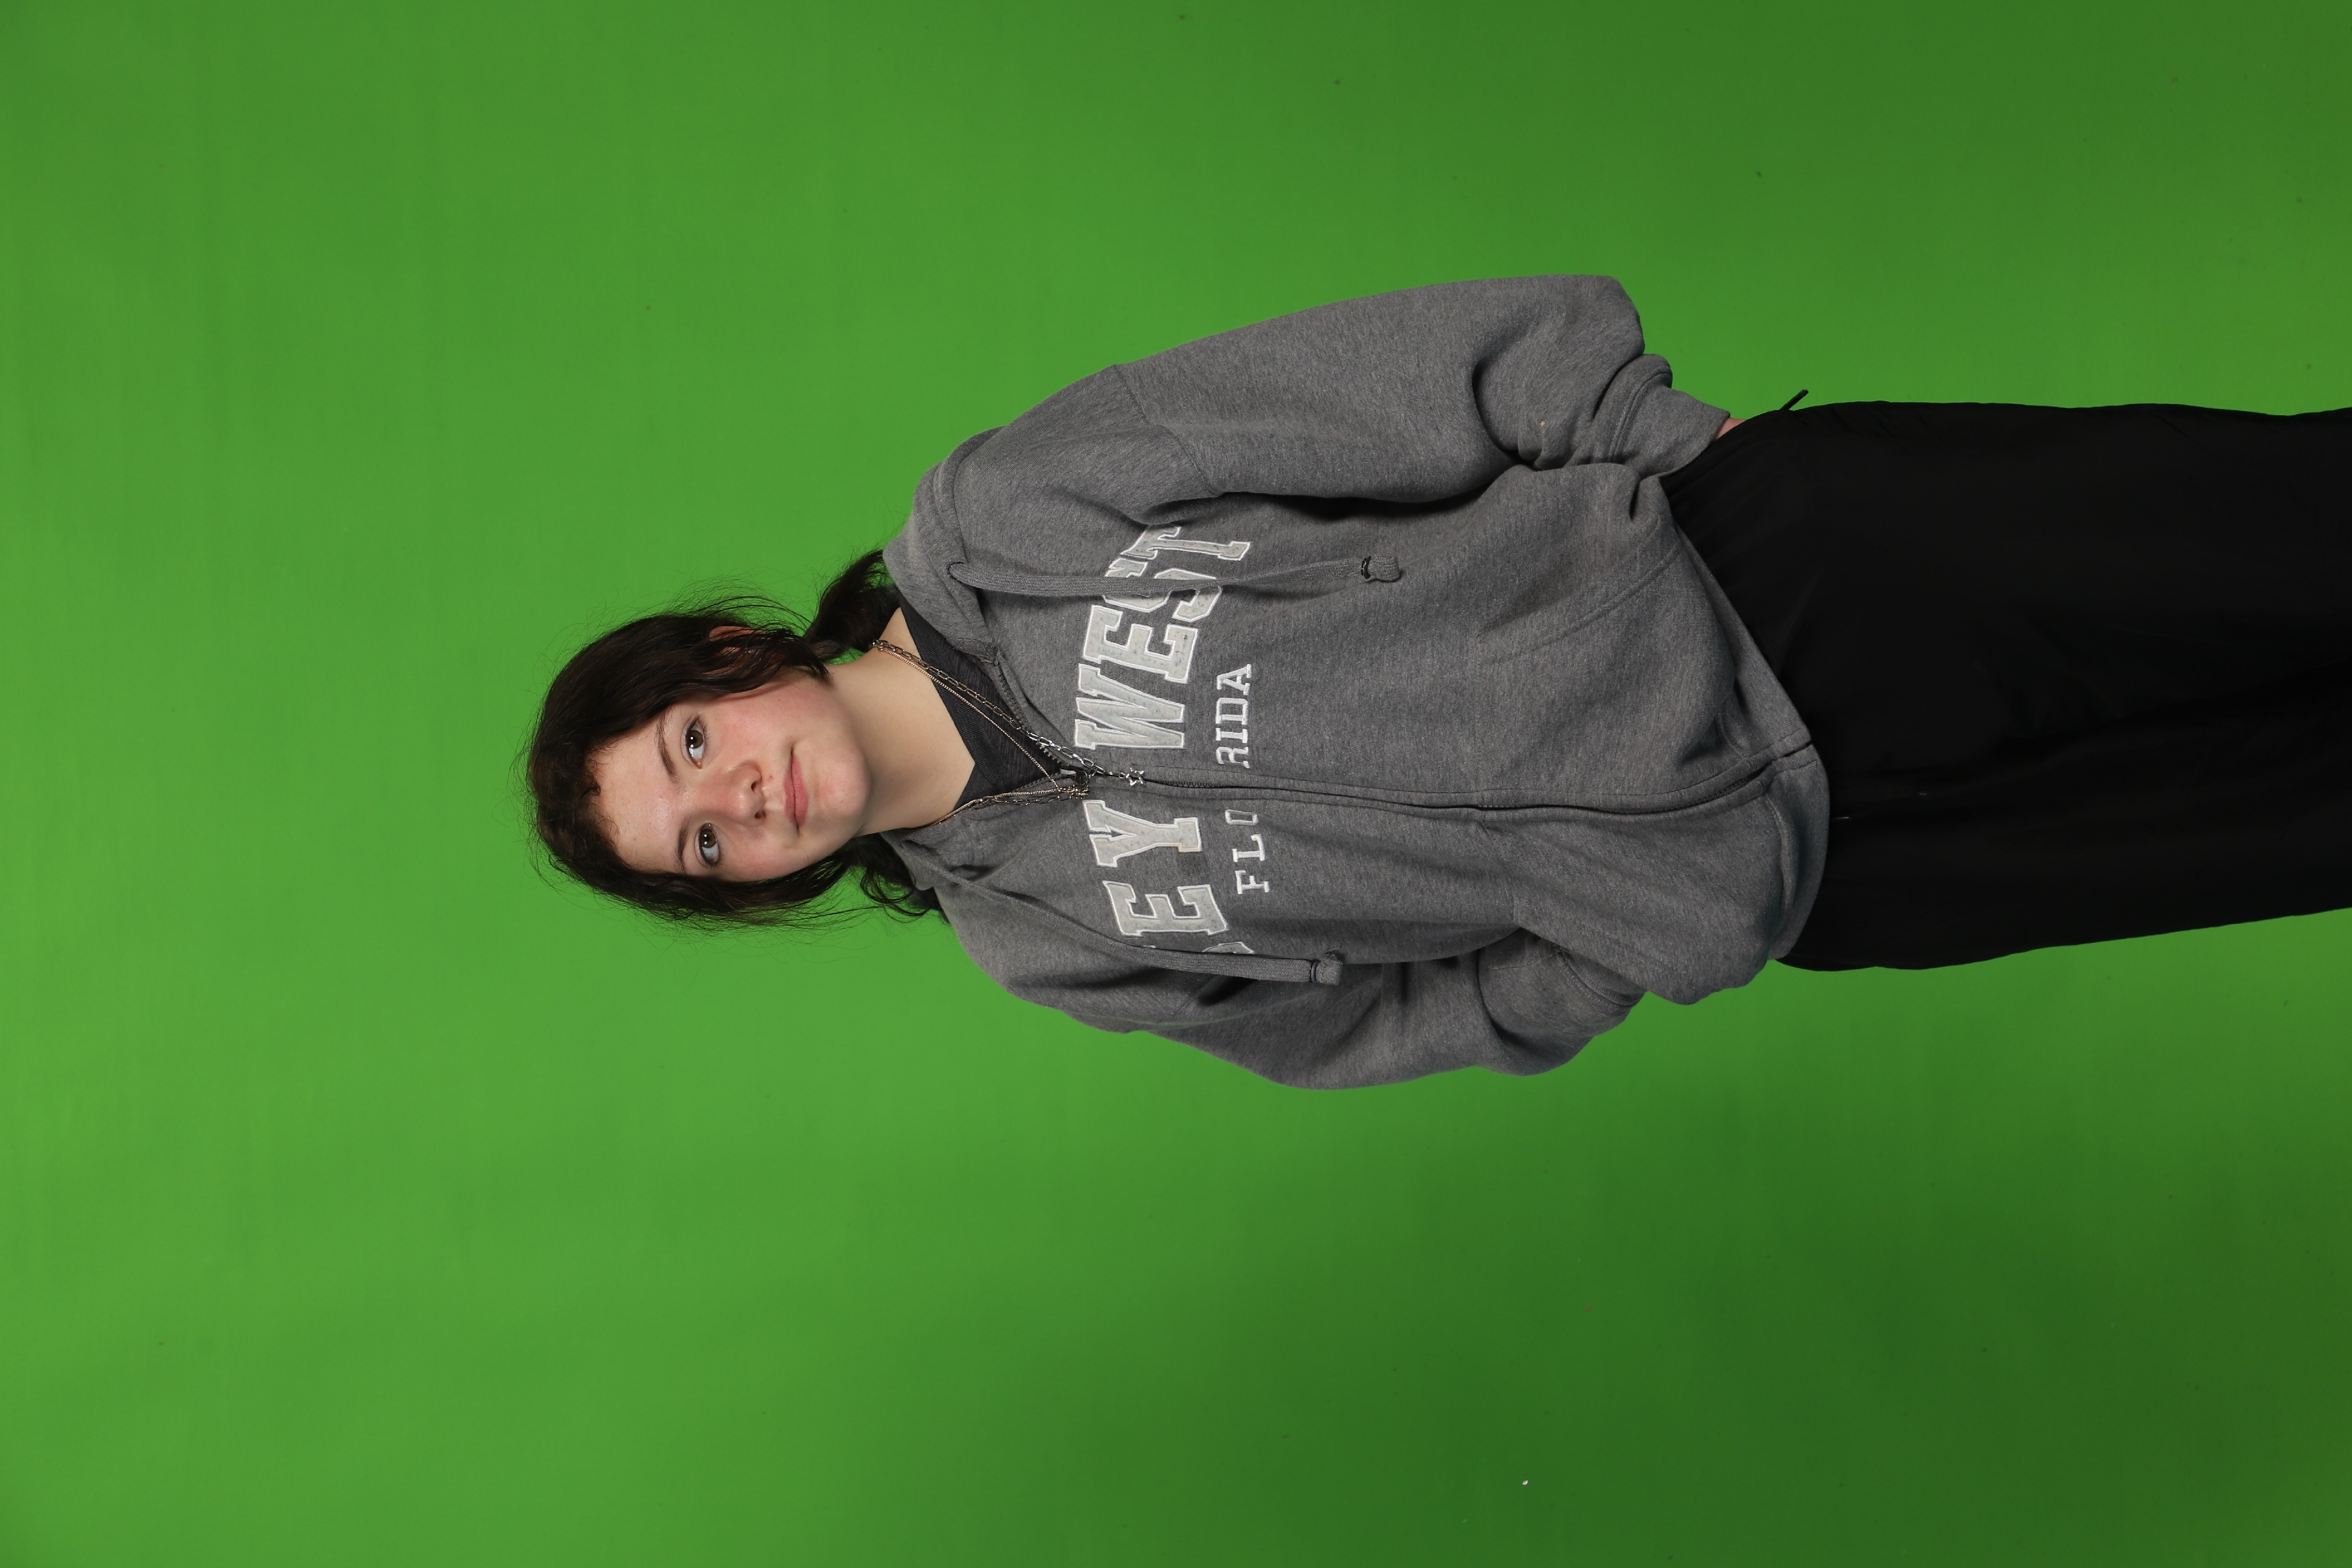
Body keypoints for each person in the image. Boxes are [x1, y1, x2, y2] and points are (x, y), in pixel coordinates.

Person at [527, 276, 2351, 1088]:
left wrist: (1678, 462)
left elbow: (1377, 385)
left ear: (734, 656)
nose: (741, 801)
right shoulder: (1042, 943)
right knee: (2307, 816)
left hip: (1789, 578)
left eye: (693, 746)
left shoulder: (1011, 517)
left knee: (2299, 535)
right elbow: (1386, 1027)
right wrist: (1637, 915)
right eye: (706, 847)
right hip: (1839, 867)